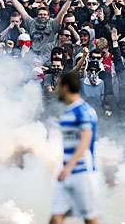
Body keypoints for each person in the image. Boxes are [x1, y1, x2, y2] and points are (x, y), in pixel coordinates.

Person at [50, 72, 100, 224]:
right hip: (67, 174)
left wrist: (69, 167)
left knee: (90, 219)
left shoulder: (84, 111)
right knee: (55, 218)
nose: (56, 90)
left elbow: (85, 141)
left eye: (58, 86)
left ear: (65, 87)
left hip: (82, 172)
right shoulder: (68, 112)